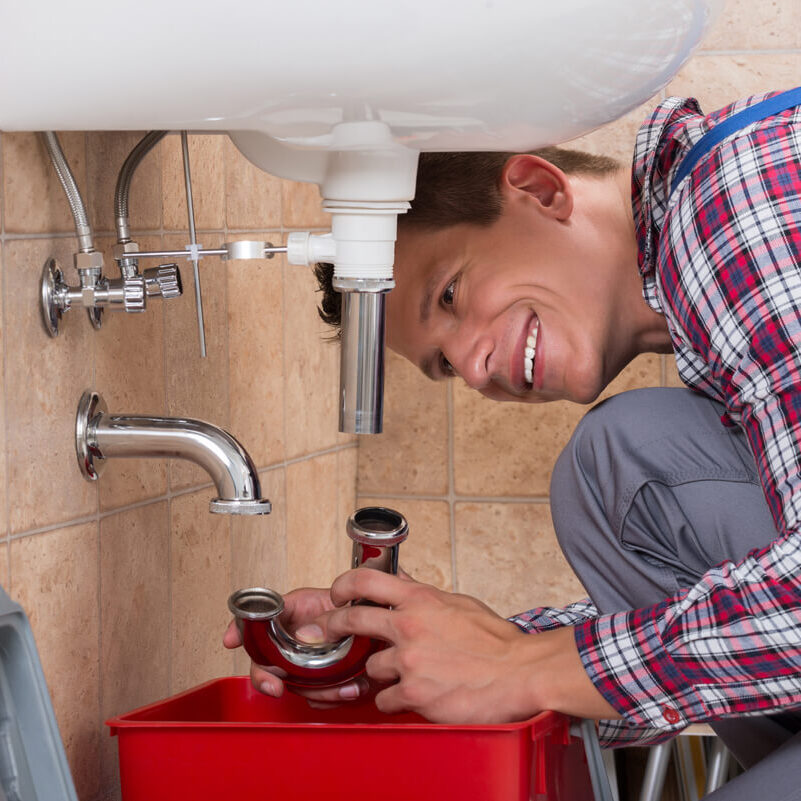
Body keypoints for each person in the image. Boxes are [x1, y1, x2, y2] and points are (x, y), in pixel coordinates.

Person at [224, 89, 801, 796]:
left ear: (538, 189)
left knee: (617, 462)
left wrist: (523, 667)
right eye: (442, 365)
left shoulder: (737, 196)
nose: (470, 366)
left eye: (450, 294)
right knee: (627, 454)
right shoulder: (706, 282)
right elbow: (728, 603)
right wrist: (434, 653)